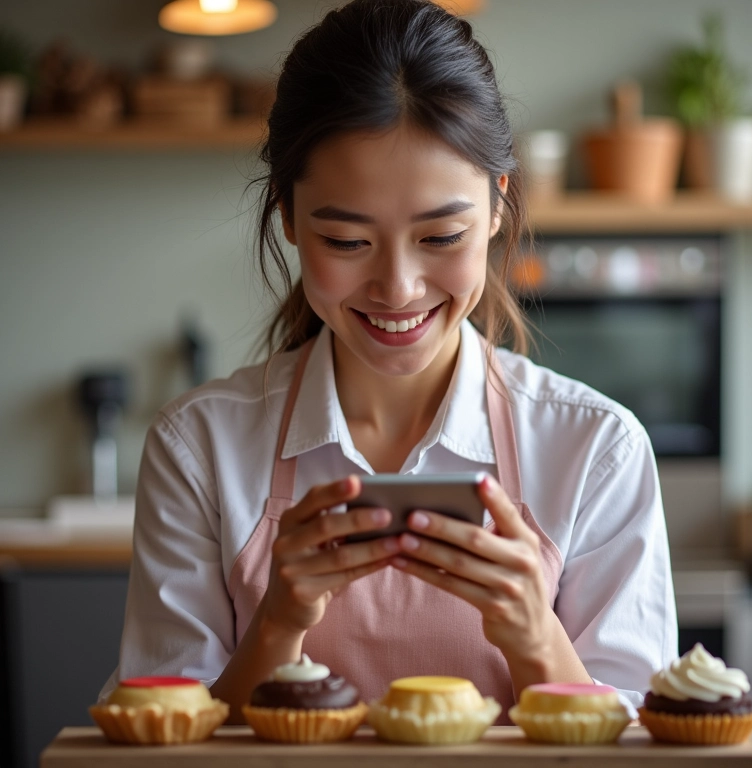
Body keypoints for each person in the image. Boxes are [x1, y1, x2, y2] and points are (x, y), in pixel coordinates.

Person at [100, 0, 677, 723]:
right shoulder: (200, 446)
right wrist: (277, 623)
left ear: (498, 207)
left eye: (441, 237)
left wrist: (536, 636)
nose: (398, 288)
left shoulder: (595, 448)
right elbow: (161, 735)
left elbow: (643, 747)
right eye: (346, 242)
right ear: (286, 216)